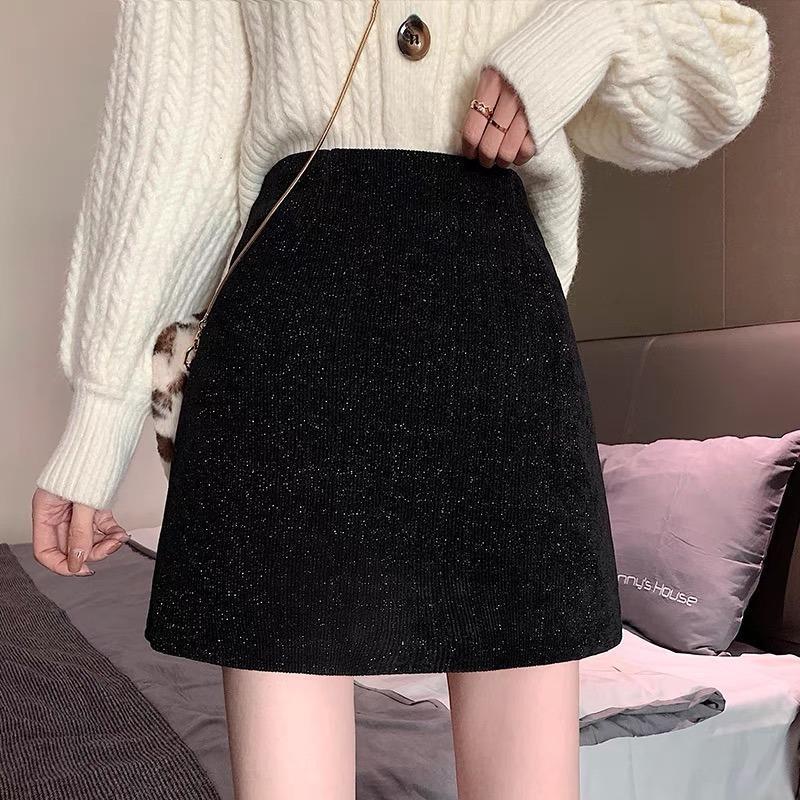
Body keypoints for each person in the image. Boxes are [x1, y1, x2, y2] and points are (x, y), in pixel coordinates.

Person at [31, 2, 771, 798]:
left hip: (496, 340)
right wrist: (100, 414)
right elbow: (175, 136)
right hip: (293, 332)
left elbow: (723, 76)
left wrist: (589, 30)